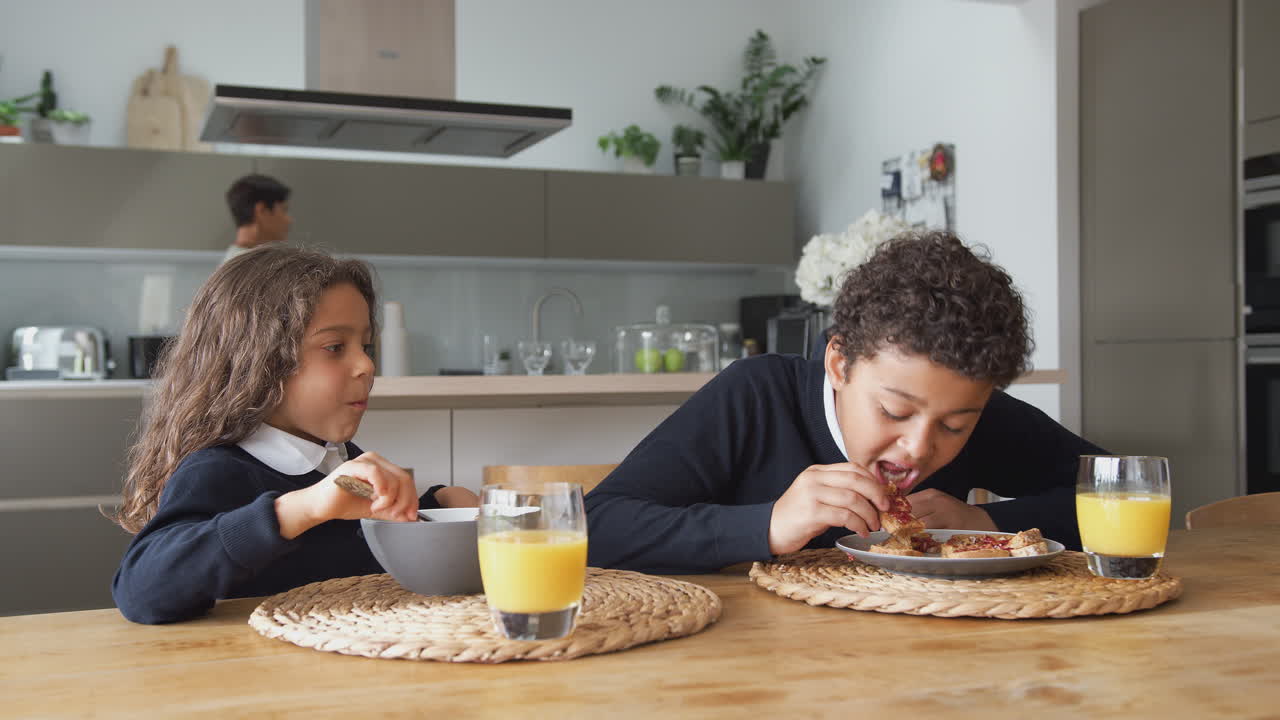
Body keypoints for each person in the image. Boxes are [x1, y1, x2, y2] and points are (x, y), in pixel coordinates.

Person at [585, 230, 1105, 574]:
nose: (920, 448)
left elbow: (1124, 492)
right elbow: (597, 525)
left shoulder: (979, 414)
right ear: (839, 364)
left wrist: (988, 523)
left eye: (954, 425)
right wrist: (766, 525)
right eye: (895, 412)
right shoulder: (756, 396)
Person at [112, 246, 477, 624]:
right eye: (335, 347)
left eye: (365, 346)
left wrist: (437, 505)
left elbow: (351, 548)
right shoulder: (219, 470)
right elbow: (140, 591)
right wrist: (303, 509)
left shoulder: (334, 457)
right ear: (260, 362)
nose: (367, 365)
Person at [221, 174, 293, 265]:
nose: (289, 220)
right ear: (262, 210)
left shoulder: (235, 264)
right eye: (283, 210)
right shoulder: (251, 268)